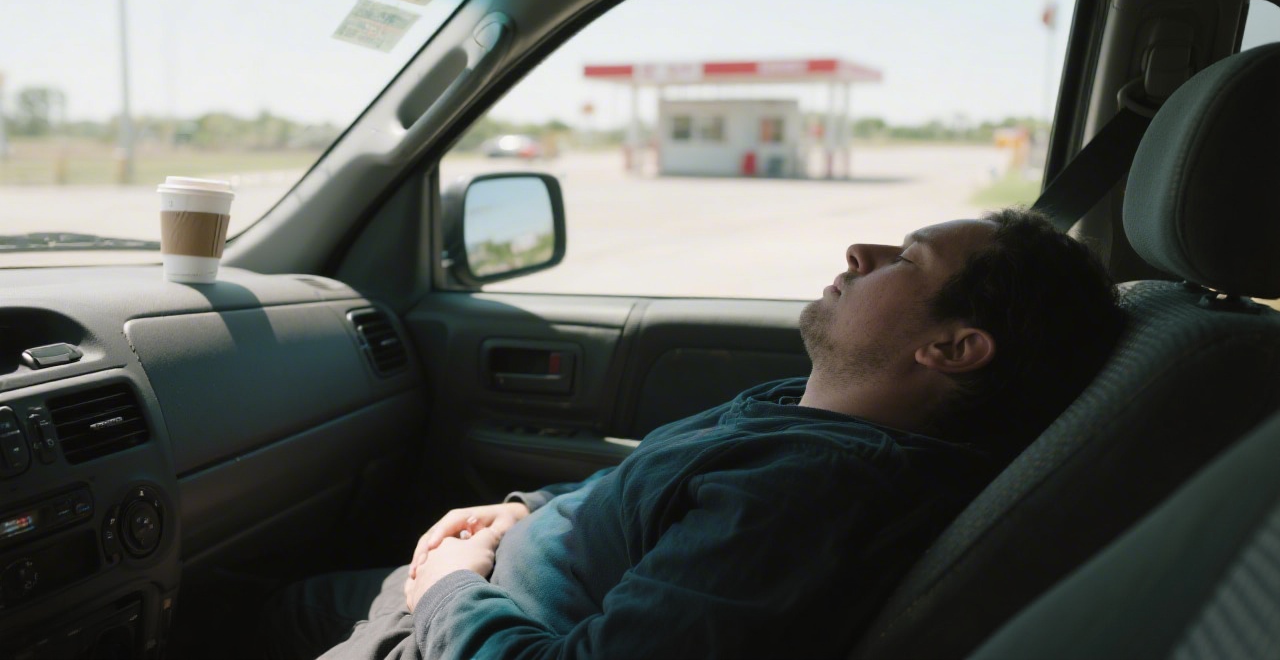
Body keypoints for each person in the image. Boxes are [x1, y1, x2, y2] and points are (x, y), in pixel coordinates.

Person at [266, 208, 1124, 660]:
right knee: (259, 601)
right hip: (473, 591)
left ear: (953, 348)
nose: (860, 252)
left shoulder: (804, 499)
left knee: (232, 617)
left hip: (443, 633)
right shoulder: (804, 417)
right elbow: (651, 488)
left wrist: (447, 590)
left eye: (906, 258)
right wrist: (522, 509)